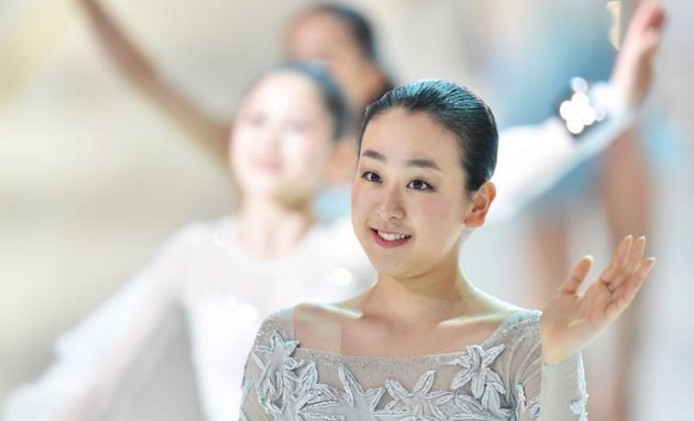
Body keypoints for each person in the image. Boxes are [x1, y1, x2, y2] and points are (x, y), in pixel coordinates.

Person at [4, 2, 664, 420]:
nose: (270, 135)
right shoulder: (201, 255)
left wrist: (611, 106)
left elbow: (505, 168)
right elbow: (84, 376)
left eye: (318, 66)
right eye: (258, 117)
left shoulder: (355, 240)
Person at [239, 78, 656, 421]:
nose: (388, 207)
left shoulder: (523, 347)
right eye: (372, 175)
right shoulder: (288, 342)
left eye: (419, 183)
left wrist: (559, 359)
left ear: (478, 205)